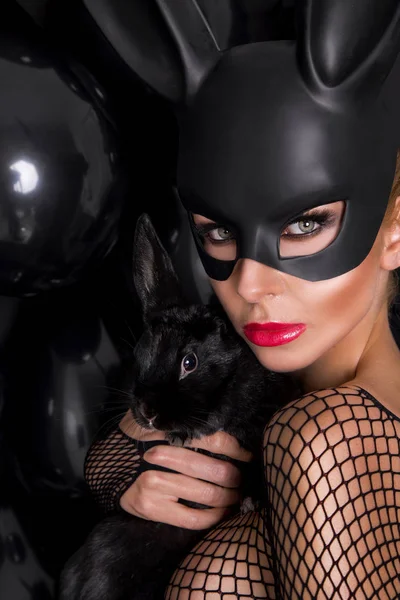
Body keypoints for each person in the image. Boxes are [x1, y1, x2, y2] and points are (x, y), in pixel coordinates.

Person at [85, 1, 400, 597]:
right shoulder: (283, 407)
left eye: (305, 225)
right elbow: (113, 454)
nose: (250, 285)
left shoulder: (323, 441)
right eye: (219, 232)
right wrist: (129, 478)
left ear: (394, 231)